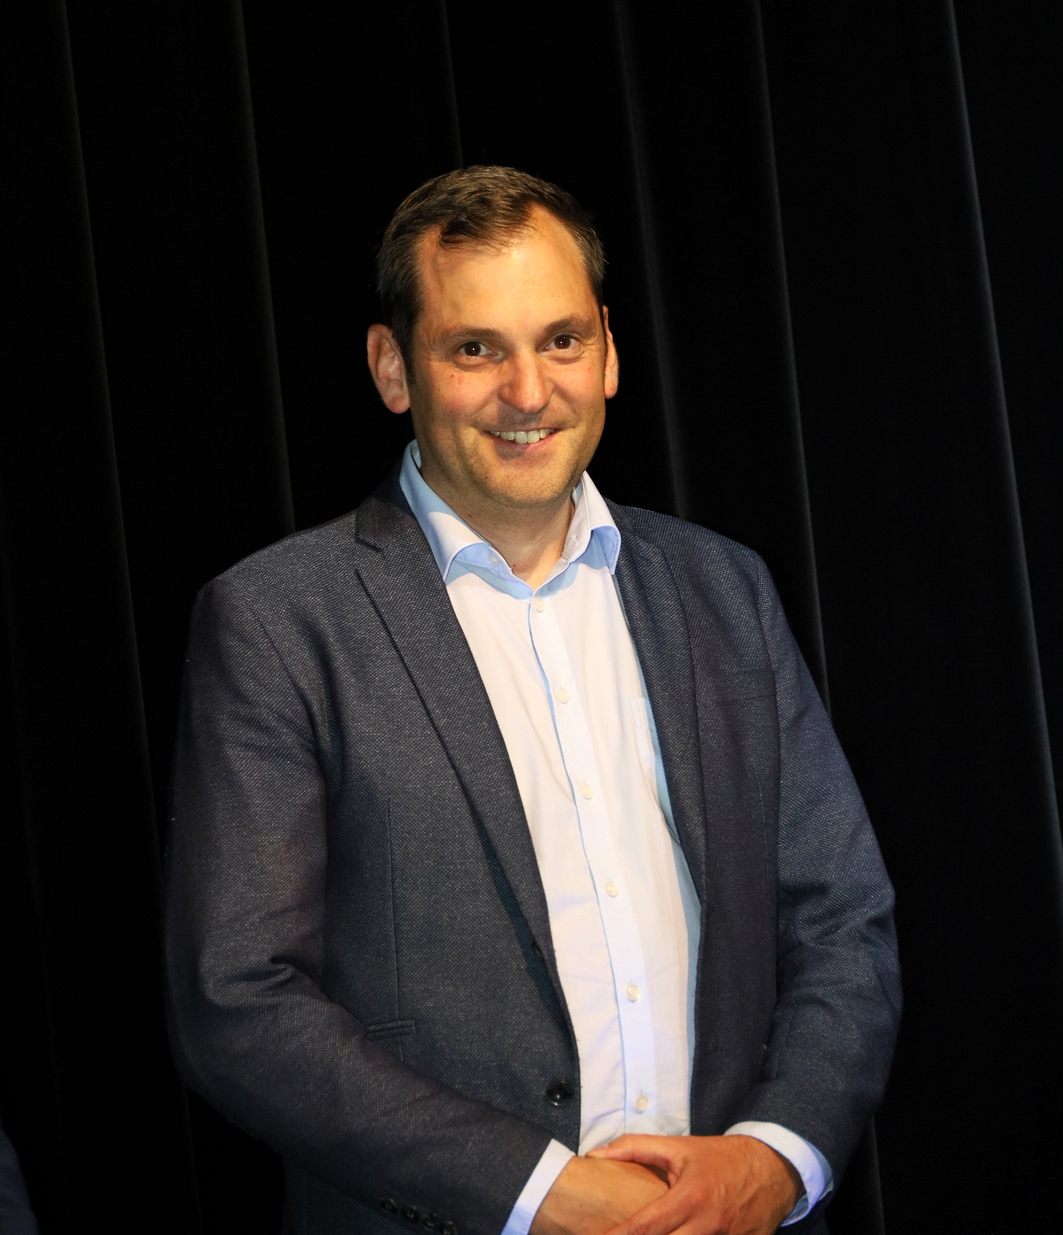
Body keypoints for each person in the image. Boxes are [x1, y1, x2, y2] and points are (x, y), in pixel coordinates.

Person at [165, 165, 900, 1235]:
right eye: (475, 349)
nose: (527, 391)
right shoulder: (280, 621)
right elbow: (239, 997)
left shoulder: (722, 587)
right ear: (392, 369)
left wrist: (777, 1156)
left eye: (560, 340)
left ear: (608, 352)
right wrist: (537, 1191)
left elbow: (842, 920)